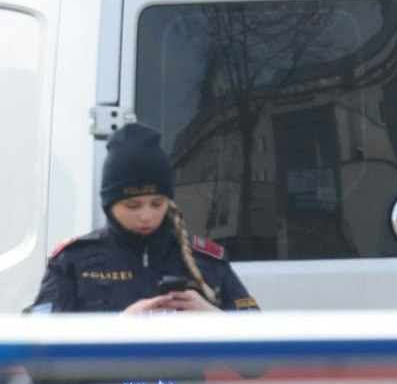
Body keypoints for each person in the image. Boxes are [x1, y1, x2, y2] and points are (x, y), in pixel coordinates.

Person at [36, 124, 257, 313]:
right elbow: (37, 348)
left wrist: (216, 318)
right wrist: (118, 328)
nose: (147, 216)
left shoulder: (206, 260)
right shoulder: (72, 261)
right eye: (132, 205)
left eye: (157, 203)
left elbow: (259, 344)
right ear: (110, 205)